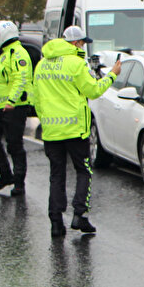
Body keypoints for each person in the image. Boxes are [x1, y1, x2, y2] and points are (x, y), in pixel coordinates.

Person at [33, 26, 121, 237]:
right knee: (83, 171)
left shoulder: (42, 65)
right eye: (81, 43)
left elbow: (36, 98)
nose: (83, 47)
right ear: (74, 43)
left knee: (57, 175)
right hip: (75, 130)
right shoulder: (76, 63)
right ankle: (79, 215)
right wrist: (112, 75)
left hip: (52, 131)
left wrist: (46, 119)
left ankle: (56, 222)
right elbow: (93, 90)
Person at [0, 21, 33, 196]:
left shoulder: (18, 53)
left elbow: (20, 79)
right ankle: (6, 175)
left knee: (14, 145)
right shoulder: (5, 55)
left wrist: (11, 101)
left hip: (16, 107)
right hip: (0, 107)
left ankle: (19, 183)